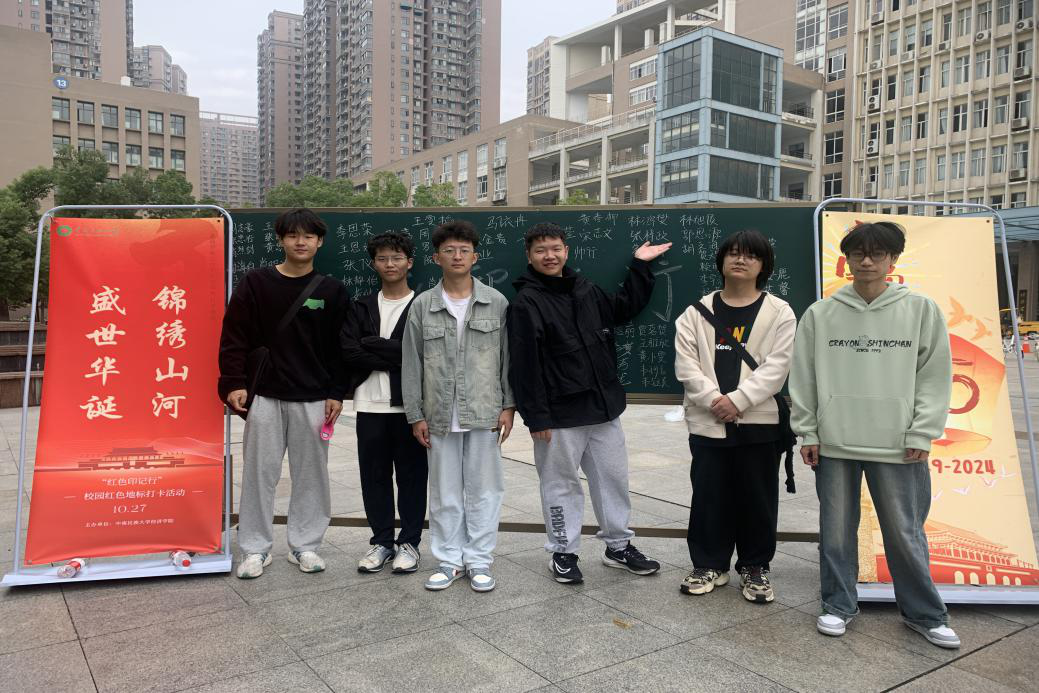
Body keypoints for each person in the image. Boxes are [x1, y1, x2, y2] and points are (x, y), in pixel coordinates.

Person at [789, 221, 959, 649]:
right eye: (858, 253)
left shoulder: (920, 310)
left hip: (899, 443)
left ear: (893, 260)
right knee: (835, 530)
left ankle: (925, 614)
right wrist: (808, 431)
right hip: (835, 441)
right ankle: (837, 605)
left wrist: (922, 432)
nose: (866, 261)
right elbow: (803, 377)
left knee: (904, 532)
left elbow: (934, 377)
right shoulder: (821, 313)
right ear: (846, 259)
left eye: (877, 253)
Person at [507, 222, 671, 584]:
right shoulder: (526, 303)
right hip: (558, 416)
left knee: (613, 480)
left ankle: (618, 546)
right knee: (560, 485)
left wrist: (640, 265)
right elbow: (524, 366)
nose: (550, 256)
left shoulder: (586, 289)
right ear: (529, 256)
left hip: (603, 410)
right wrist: (536, 418)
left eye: (556, 248)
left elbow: (624, 308)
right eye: (540, 250)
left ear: (566, 251)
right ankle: (563, 553)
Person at [218, 207, 349, 579]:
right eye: (292, 235)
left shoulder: (332, 290)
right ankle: (255, 549)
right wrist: (234, 382)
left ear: (320, 242)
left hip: (314, 397)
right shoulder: (256, 283)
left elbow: (340, 348)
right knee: (259, 474)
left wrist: (337, 391)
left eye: (308, 236)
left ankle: (305, 546)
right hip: (265, 395)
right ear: (280, 240)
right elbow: (234, 337)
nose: (300, 242)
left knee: (311, 475)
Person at [673, 230, 796, 603]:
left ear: (764, 266)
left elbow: (778, 366)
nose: (740, 260)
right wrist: (716, 400)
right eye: (734, 253)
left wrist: (739, 400)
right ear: (722, 261)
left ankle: (755, 566)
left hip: (759, 423)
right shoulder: (695, 312)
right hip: (708, 421)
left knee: (758, 499)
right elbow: (687, 366)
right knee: (708, 496)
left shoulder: (780, 312)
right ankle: (708, 564)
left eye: (751, 255)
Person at [402, 219, 514, 593]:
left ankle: (479, 561)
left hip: (485, 411)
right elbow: (411, 363)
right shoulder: (423, 305)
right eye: (449, 250)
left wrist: (509, 405)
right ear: (436, 258)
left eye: (464, 250)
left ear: (475, 257)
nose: (457, 256)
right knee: (445, 493)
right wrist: (415, 414)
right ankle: (449, 561)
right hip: (438, 414)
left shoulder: (496, 302)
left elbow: (507, 359)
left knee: (485, 491)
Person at [341, 232, 426, 574]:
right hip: (369, 406)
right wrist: (397, 354)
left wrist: (373, 344)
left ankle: (409, 543)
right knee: (374, 477)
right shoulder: (361, 306)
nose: (390, 264)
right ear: (374, 264)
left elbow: (422, 354)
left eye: (396, 257)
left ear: (410, 262)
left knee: (412, 478)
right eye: (382, 258)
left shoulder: (423, 305)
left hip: (411, 408)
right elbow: (349, 351)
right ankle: (381, 543)